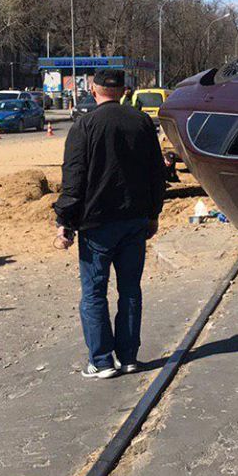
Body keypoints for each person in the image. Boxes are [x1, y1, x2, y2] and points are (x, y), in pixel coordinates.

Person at [54, 69, 167, 379]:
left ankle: (102, 361)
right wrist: (154, 214)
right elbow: (157, 174)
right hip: (134, 221)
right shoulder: (142, 123)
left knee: (94, 293)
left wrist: (64, 220)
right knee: (130, 291)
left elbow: (73, 177)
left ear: (94, 91)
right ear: (124, 91)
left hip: (97, 224)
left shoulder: (85, 125)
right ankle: (129, 357)